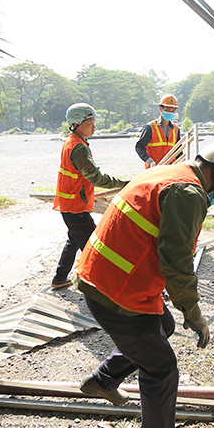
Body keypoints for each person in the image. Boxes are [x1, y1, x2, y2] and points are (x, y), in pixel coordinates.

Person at [75, 144, 214, 428]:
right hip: (118, 290)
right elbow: (177, 262)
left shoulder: (171, 173)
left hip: (104, 276)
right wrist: (194, 314)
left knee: (163, 327)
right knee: (161, 368)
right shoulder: (190, 193)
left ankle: (102, 380)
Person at [51, 103, 129, 290]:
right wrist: (123, 184)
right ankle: (101, 287)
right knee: (94, 247)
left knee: (73, 240)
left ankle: (60, 278)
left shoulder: (72, 142)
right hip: (75, 207)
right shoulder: (78, 148)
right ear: (76, 124)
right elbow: (96, 178)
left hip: (70, 205)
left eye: (94, 122)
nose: (94, 127)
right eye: (90, 123)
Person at [135, 94, 181, 168]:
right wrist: (149, 160)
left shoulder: (176, 129)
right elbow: (140, 147)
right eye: (167, 109)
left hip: (171, 170)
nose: (170, 112)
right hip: (154, 169)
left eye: (173, 110)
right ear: (160, 108)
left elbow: (178, 150)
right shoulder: (150, 127)